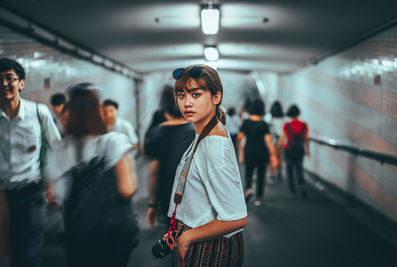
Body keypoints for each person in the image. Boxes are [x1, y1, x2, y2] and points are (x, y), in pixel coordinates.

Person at [47, 83, 139, 267]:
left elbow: (54, 197)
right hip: (113, 232)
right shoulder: (113, 141)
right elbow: (127, 188)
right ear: (97, 110)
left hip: (78, 231)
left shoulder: (60, 148)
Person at [167, 65, 247, 266]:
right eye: (181, 95)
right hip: (201, 237)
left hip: (207, 247)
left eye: (196, 94)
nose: (187, 103)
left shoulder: (213, 146)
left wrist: (186, 238)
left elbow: (236, 218)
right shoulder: (205, 134)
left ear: (216, 97)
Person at [0, 58, 61, 267]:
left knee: (28, 254)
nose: (4, 84)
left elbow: (57, 148)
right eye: (0, 79)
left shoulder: (38, 113)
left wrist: (53, 184)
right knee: (6, 255)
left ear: (21, 83)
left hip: (31, 193)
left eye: (10, 78)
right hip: (2, 195)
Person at [146, 85, 195, 228]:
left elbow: (154, 170)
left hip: (167, 195)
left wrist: (152, 203)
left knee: (172, 236)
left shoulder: (155, 133)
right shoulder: (199, 131)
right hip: (194, 194)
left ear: (165, 110)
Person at [237, 98, 278, 207]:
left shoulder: (246, 122)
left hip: (249, 152)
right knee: (261, 175)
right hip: (262, 153)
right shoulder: (264, 124)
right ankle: (259, 198)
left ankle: (249, 189)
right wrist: (273, 156)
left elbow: (239, 138)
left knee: (248, 174)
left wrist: (241, 149)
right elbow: (269, 142)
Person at [277, 104, 310, 197]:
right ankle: (302, 186)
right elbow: (306, 138)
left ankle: (292, 191)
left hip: (289, 149)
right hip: (300, 149)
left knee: (289, 169)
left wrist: (278, 148)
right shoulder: (304, 125)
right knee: (299, 168)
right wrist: (307, 150)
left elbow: (282, 138)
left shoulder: (287, 125)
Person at [267, 100, 285, 182]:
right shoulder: (282, 117)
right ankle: (280, 173)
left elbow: (266, 124)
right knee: (280, 157)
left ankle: (272, 174)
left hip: (272, 139)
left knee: (272, 156)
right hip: (280, 139)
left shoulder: (270, 116)